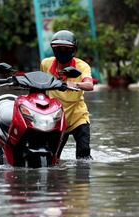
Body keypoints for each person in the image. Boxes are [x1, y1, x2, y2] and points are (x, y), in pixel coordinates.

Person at [40, 30, 94, 160]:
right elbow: (40, 83)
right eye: (59, 48)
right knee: (52, 156)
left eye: (66, 49)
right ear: (54, 49)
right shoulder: (45, 64)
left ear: (73, 50)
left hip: (77, 116)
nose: (62, 51)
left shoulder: (82, 66)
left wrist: (73, 84)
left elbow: (89, 85)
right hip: (56, 116)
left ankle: (82, 179)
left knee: (84, 154)